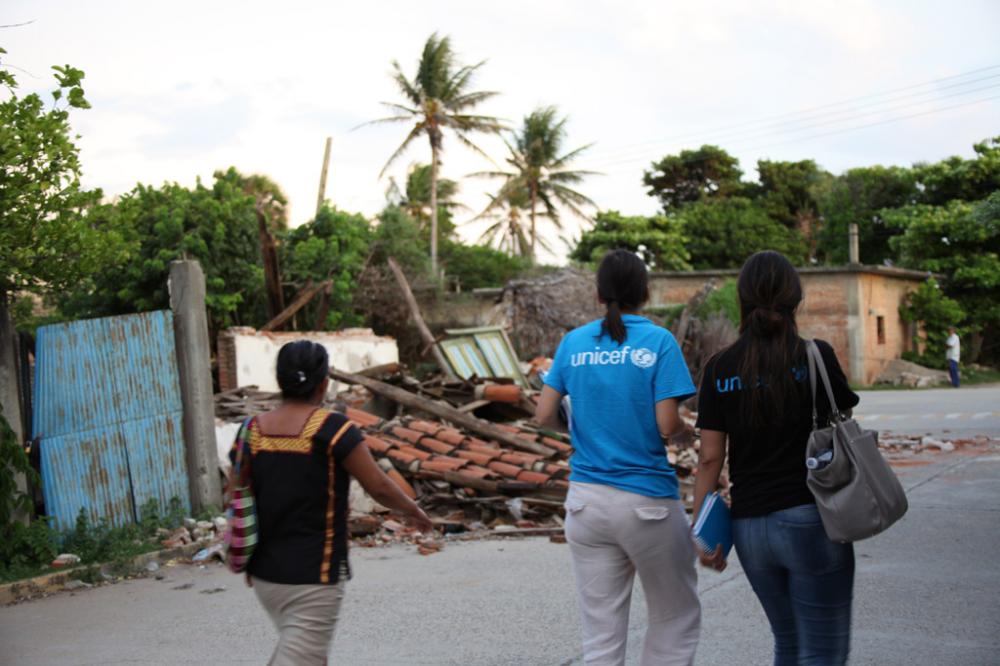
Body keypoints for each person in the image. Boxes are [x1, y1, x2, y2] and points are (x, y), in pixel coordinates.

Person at [693, 251, 860, 666]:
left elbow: (710, 461)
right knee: (822, 653)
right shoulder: (814, 355)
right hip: (812, 519)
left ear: (743, 299)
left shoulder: (718, 368)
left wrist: (702, 534)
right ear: (795, 299)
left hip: (750, 529)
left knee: (787, 644)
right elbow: (843, 419)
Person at [536, 249, 701, 666]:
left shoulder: (574, 343)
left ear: (598, 294)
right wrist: (686, 433)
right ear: (645, 292)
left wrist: (581, 429)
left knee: (601, 635)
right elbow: (667, 424)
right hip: (648, 505)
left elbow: (542, 415)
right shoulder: (659, 341)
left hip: (586, 503)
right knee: (674, 616)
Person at [229, 340, 432, 666]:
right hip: (314, 579)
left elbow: (236, 493)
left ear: (279, 381)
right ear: (324, 384)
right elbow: (378, 485)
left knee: (306, 655)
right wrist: (414, 510)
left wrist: (243, 551)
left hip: (266, 578)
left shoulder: (251, 431)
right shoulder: (334, 430)